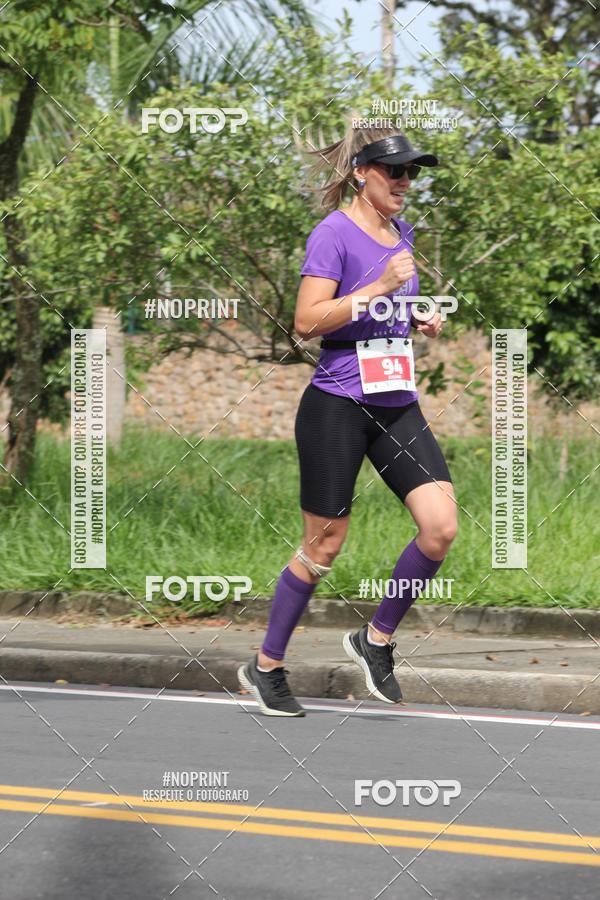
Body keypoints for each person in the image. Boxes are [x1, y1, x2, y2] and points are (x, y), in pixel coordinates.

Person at [238, 124, 457, 716]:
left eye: (414, 173)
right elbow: (306, 323)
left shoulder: (401, 231)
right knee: (324, 544)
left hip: (395, 403)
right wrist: (378, 286)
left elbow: (388, 311)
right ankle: (266, 668)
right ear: (363, 173)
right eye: (396, 172)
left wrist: (416, 315)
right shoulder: (332, 233)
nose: (407, 182)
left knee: (440, 527)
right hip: (337, 403)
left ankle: (376, 639)